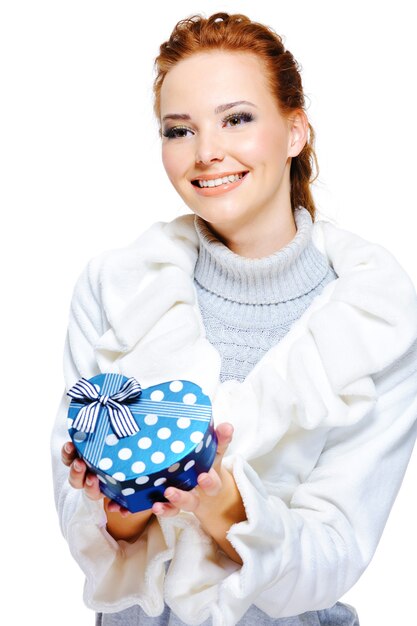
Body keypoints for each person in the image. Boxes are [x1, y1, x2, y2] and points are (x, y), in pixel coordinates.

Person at [51, 11, 417, 626]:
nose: (207, 152)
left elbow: (336, 552)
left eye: (237, 119)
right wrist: (117, 498)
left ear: (296, 131)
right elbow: (87, 539)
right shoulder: (116, 289)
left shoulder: (375, 320)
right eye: (179, 130)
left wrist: (220, 502)